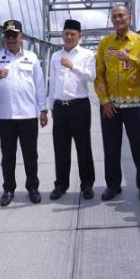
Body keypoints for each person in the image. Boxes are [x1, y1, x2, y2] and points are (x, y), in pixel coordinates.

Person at [95, 4, 140, 202]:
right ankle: (113, 186)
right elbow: (99, 75)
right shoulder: (105, 43)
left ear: (129, 18)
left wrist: (130, 57)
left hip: (136, 104)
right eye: (114, 17)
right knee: (111, 147)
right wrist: (104, 101)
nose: (118, 19)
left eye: (121, 15)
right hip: (111, 105)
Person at [0, 19, 48, 207]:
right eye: (7, 35)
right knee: (8, 155)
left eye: (14, 35)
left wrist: (43, 109)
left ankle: (32, 188)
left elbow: (40, 85)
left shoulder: (32, 57)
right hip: (5, 116)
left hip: (28, 114)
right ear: (4, 38)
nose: (11, 39)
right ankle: (8, 189)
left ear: (22, 37)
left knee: (30, 154)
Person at [48, 19, 96, 201]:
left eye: (73, 34)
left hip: (80, 106)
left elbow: (91, 76)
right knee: (60, 148)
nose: (69, 37)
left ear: (79, 36)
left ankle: (87, 185)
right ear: (62, 35)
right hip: (60, 106)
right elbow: (52, 82)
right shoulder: (54, 56)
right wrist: (51, 106)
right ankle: (60, 184)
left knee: (84, 147)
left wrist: (73, 66)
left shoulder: (87, 54)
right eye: (66, 33)